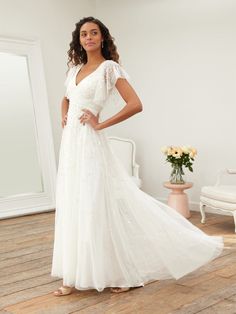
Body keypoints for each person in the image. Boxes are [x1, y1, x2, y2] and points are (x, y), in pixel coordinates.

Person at [51, 16, 224, 296]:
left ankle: (122, 274)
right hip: (71, 144)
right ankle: (74, 275)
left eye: (94, 33)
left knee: (95, 205)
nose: (89, 38)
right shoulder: (74, 70)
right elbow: (67, 98)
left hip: (90, 143)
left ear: (102, 37)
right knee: (74, 201)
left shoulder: (110, 68)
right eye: (84, 34)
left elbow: (135, 104)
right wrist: (64, 116)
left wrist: (100, 123)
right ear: (79, 40)